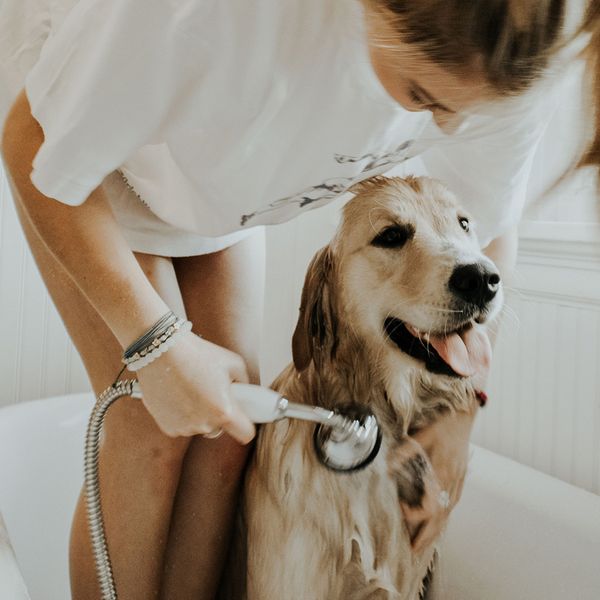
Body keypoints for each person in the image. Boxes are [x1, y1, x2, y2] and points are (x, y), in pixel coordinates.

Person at [0, 0, 597, 598]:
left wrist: (457, 414)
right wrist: (155, 346)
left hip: (217, 174)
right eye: (424, 96)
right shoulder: (210, 18)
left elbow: (490, 226)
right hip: (85, 146)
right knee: (151, 428)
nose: (449, 133)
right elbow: (33, 143)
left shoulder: (508, 64)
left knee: (227, 438)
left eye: (471, 111)